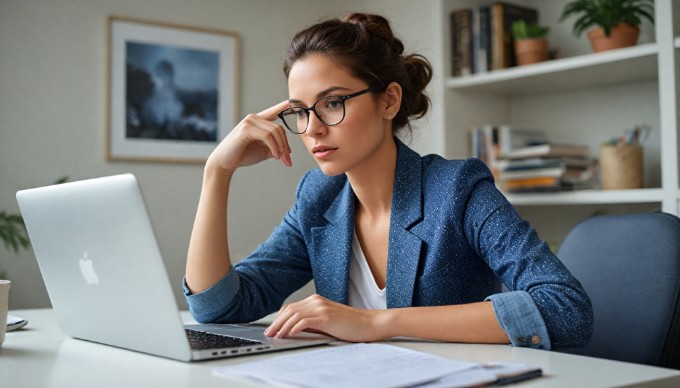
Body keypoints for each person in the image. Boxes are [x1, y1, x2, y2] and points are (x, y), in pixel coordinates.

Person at [184, 13, 593, 350]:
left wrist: (375, 323)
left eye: (332, 103)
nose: (312, 129)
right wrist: (217, 172)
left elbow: (565, 309)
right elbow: (218, 306)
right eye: (300, 111)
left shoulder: (457, 189)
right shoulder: (319, 197)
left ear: (389, 100)